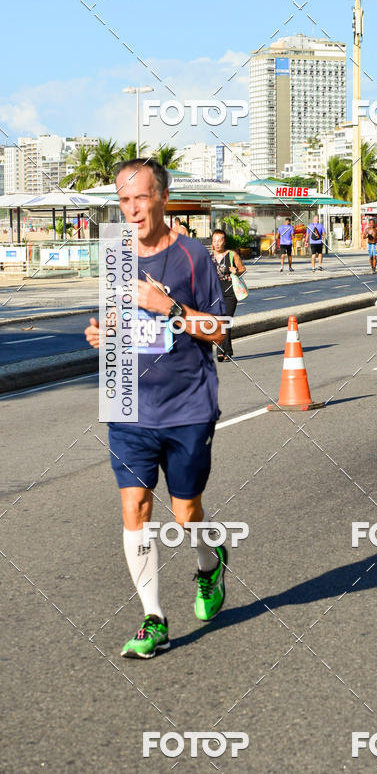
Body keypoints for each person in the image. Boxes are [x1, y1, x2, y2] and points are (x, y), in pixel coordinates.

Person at [84, 158, 229, 659]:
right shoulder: (114, 257)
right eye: (124, 202)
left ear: (162, 197)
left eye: (140, 199)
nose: (132, 210)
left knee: (187, 513)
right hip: (128, 405)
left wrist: (166, 307)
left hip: (188, 405)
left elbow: (219, 330)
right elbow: (108, 321)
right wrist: (99, 334)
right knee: (136, 509)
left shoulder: (194, 257)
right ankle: (154, 617)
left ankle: (210, 564)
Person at [210, 229, 247, 361]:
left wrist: (236, 271)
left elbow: (243, 269)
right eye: (214, 241)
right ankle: (224, 350)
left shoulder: (232, 255)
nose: (217, 243)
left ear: (224, 241)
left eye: (220, 240)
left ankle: (224, 350)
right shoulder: (209, 257)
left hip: (230, 293)